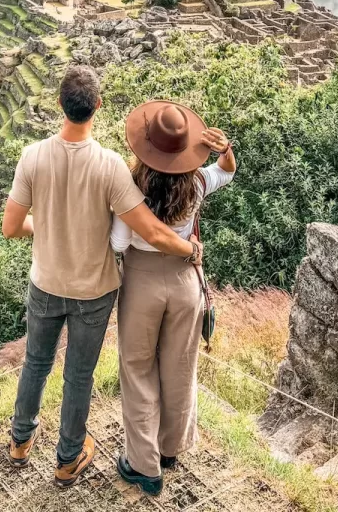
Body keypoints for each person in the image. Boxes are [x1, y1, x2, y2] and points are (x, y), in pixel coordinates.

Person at [1, 66, 204, 489]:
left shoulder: (32, 156)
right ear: (98, 106)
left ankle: (20, 442)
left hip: (45, 281)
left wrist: (47, 226)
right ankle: (68, 459)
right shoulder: (111, 166)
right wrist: (190, 250)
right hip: (93, 290)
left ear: (60, 104)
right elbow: (148, 230)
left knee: (36, 362)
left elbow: (12, 227)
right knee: (78, 374)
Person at [110, 101, 236, 495]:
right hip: (185, 282)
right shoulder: (197, 182)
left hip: (142, 281)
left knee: (137, 368)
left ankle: (143, 465)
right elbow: (226, 172)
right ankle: (169, 449)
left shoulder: (131, 185)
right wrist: (225, 148)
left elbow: (118, 241)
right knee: (180, 365)